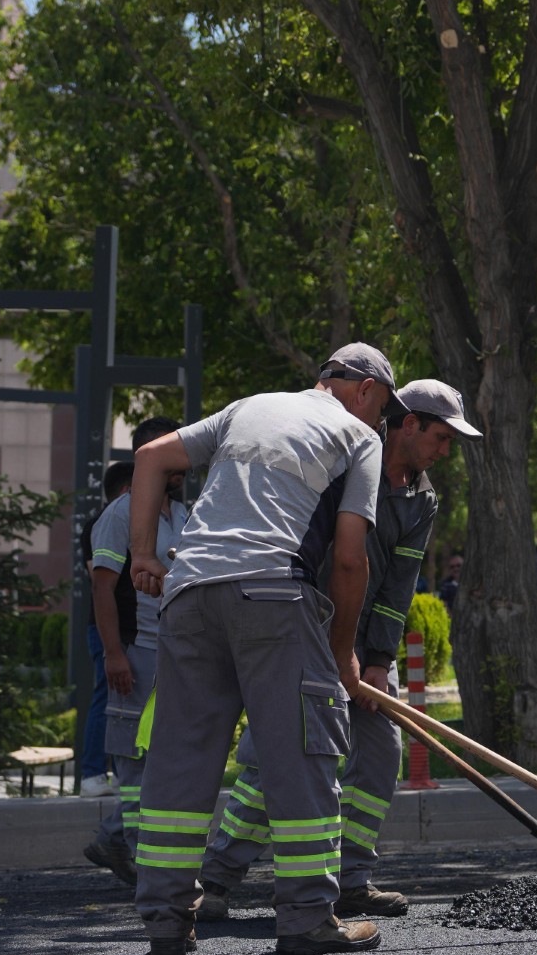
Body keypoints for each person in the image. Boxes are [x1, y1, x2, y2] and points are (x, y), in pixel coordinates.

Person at [128, 343, 398, 955]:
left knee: (182, 757)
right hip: (273, 595)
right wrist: (342, 657)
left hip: (189, 593)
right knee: (301, 751)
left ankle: (166, 921)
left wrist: (144, 554)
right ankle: (306, 918)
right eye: (382, 408)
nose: (381, 422)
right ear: (362, 392)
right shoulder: (360, 440)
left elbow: (149, 457)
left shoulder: (246, 408)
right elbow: (351, 557)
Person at [199, 378, 475, 922]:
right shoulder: (345, 461)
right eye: (442, 437)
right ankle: (216, 880)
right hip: (304, 630)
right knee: (275, 760)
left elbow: (400, 586)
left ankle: (349, 879)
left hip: (364, 650)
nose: (446, 452)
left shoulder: (423, 498)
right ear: (409, 423)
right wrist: (330, 647)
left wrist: (377, 662)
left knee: (380, 756)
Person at [82, 418, 187, 886]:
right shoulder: (120, 514)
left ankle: (116, 838)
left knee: (165, 756)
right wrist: (113, 655)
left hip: (175, 654)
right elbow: (102, 589)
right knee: (132, 757)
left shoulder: (183, 515)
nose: (182, 461)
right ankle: (147, 868)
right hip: (136, 650)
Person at [76, 462, 134, 803]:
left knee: (117, 700)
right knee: (106, 697)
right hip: (107, 629)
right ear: (127, 491)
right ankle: (93, 773)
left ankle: (106, 772)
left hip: (121, 629)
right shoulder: (104, 522)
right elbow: (99, 582)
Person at [436, 552, 463, 616]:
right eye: (452, 567)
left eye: (458, 565)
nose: (455, 568)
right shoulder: (445, 585)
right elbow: (444, 604)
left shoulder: (473, 583)